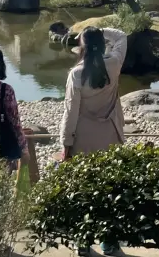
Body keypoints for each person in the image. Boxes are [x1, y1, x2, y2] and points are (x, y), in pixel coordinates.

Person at [60, 26, 128, 257]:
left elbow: (71, 111)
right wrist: (99, 30)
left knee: (83, 191)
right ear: (101, 44)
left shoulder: (76, 74)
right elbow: (121, 36)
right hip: (110, 134)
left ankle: (83, 242)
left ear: (83, 46)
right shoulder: (114, 64)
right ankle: (109, 243)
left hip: (83, 138)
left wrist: (66, 143)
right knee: (110, 191)